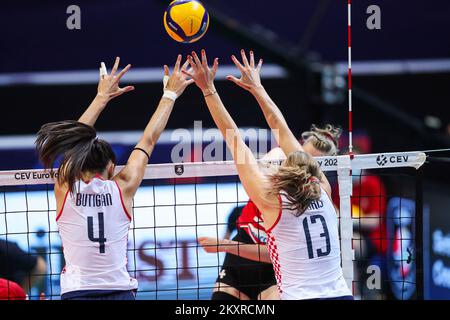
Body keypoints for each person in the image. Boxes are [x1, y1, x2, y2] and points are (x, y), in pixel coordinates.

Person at [187, 49, 352, 300]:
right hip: (340, 296)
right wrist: (257, 88)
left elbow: (235, 141)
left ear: (280, 176)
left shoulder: (272, 203)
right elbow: (282, 130)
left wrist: (208, 89)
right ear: (311, 172)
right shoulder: (324, 191)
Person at [35, 56, 194, 300]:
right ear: (111, 167)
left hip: (76, 292)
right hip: (119, 291)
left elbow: (73, 142)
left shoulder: (66, 186)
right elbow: (148, 140)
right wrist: (170, 94)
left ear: (77, 163)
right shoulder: (122, 187)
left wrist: (101, 97)